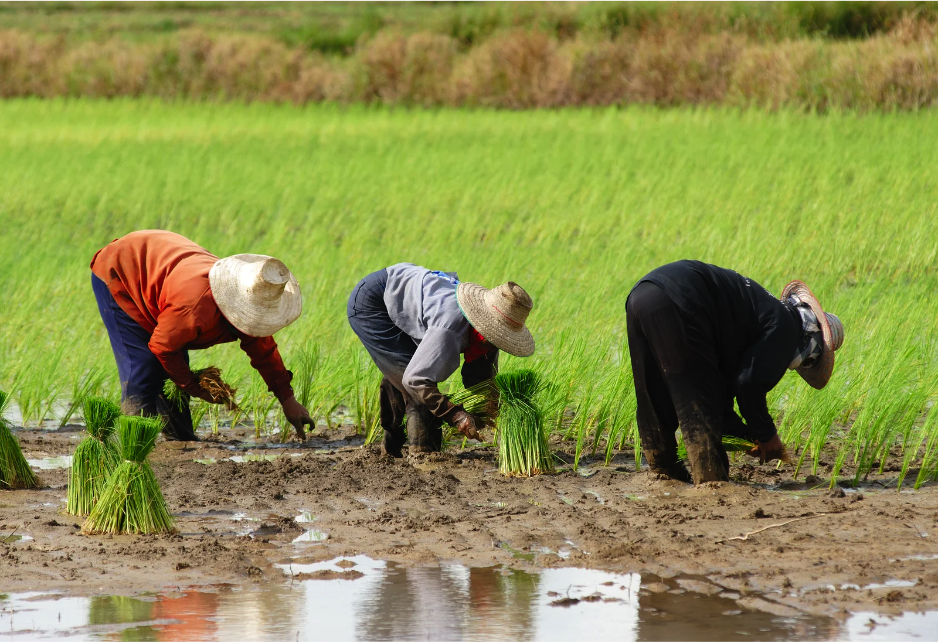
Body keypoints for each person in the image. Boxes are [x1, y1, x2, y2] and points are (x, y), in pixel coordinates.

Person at [625, 260, 844, 484]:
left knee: (653, 396)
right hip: (680, 298)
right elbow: (748, 385)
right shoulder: (786, 327)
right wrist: (767, 435)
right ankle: (711, 483)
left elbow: (721, 396)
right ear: (812, 341)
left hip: (640, 295)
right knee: (697, 408)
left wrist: (747, 437)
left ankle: (663, 475)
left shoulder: (761, 316)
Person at [90, 230, 315, 441]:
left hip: (164, 279)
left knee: (170, 375)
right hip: (123, 270)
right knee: (144, 367)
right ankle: (133, 451)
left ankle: (180, 441)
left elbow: (264, 351)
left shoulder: (250, 307)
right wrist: (193, 386)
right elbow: (163, 347)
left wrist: (288, 400)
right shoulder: (196, 307)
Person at [348, 263, 535, 456]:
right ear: (484, 326)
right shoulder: (450, 329)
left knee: (406, 370)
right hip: (373, 302)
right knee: (416, 389)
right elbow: (416, 380)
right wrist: (457, 416)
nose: (498, 343)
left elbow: (479, 378)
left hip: (407, 292)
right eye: (496, 337)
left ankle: (391, 449)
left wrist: (491, 404)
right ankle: (423, 454)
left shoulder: (489, 337)